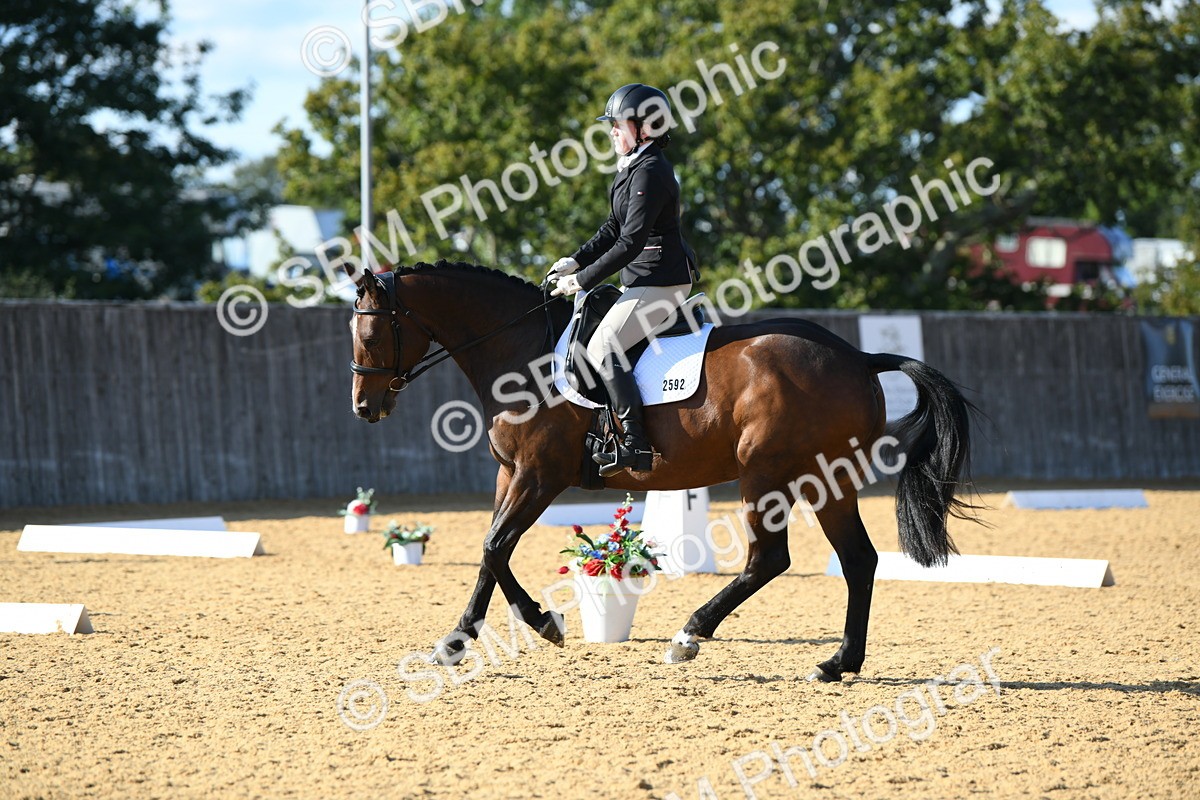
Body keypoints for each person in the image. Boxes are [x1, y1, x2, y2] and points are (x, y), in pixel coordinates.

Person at [549, 83, 698, 477]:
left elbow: (630, 242)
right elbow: (613, 226)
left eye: (617, 124)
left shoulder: (651, 171)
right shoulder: (634, 168)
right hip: (644, 278)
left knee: (603, 346)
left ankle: (634, 442)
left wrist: (582, 280)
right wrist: (574, 259)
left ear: (644, 127)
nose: (612, 131)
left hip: (662, 279)